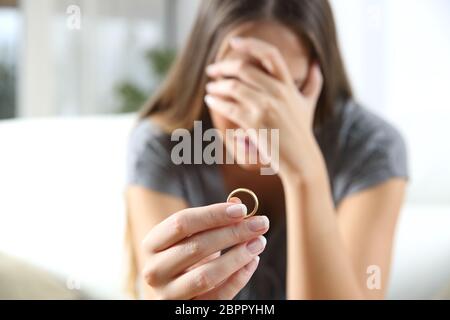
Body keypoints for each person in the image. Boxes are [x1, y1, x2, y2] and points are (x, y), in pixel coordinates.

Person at [125, 0, 408, 300]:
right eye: (241, 84)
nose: (260, 117)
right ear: (204, 73)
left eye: (287, 90)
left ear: (317, 80)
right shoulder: (164, 146)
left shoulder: (370, 147)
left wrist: (304, 171)